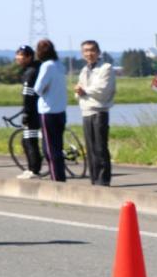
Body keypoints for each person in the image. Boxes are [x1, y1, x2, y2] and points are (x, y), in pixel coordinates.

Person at [75, 39, 116, 186]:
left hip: (99, 111)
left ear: (98, 52)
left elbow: (102, 89)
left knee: (100, 147)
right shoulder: (84, 70)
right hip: (86, 111)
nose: (89, 53)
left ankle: (103, 180)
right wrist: (81, 91)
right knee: (90, 148)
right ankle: (94, 179)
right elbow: (78, 90)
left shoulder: (106, 68)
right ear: (82, 53)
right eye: (86, 51)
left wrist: (84, 91)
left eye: (92, 50)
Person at [33, 39, 68, 182]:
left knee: (49, 149)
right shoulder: (59, 65)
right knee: (58, 147)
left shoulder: (46, 66)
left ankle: (56, 180)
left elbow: (38, 88)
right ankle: (60, 176)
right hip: (61, 110)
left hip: (48, 111)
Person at [15, 45, 45, 179]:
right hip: (40, 109)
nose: (18, 57)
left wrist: (26, 113)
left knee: (29, 140)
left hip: (33, 111)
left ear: (29, 57)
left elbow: (28, 95)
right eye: (17, 54)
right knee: (29, 139)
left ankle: (34, 170)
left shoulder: (30, 72)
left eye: (21, 55)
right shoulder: (37, 68)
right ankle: (33, 168)